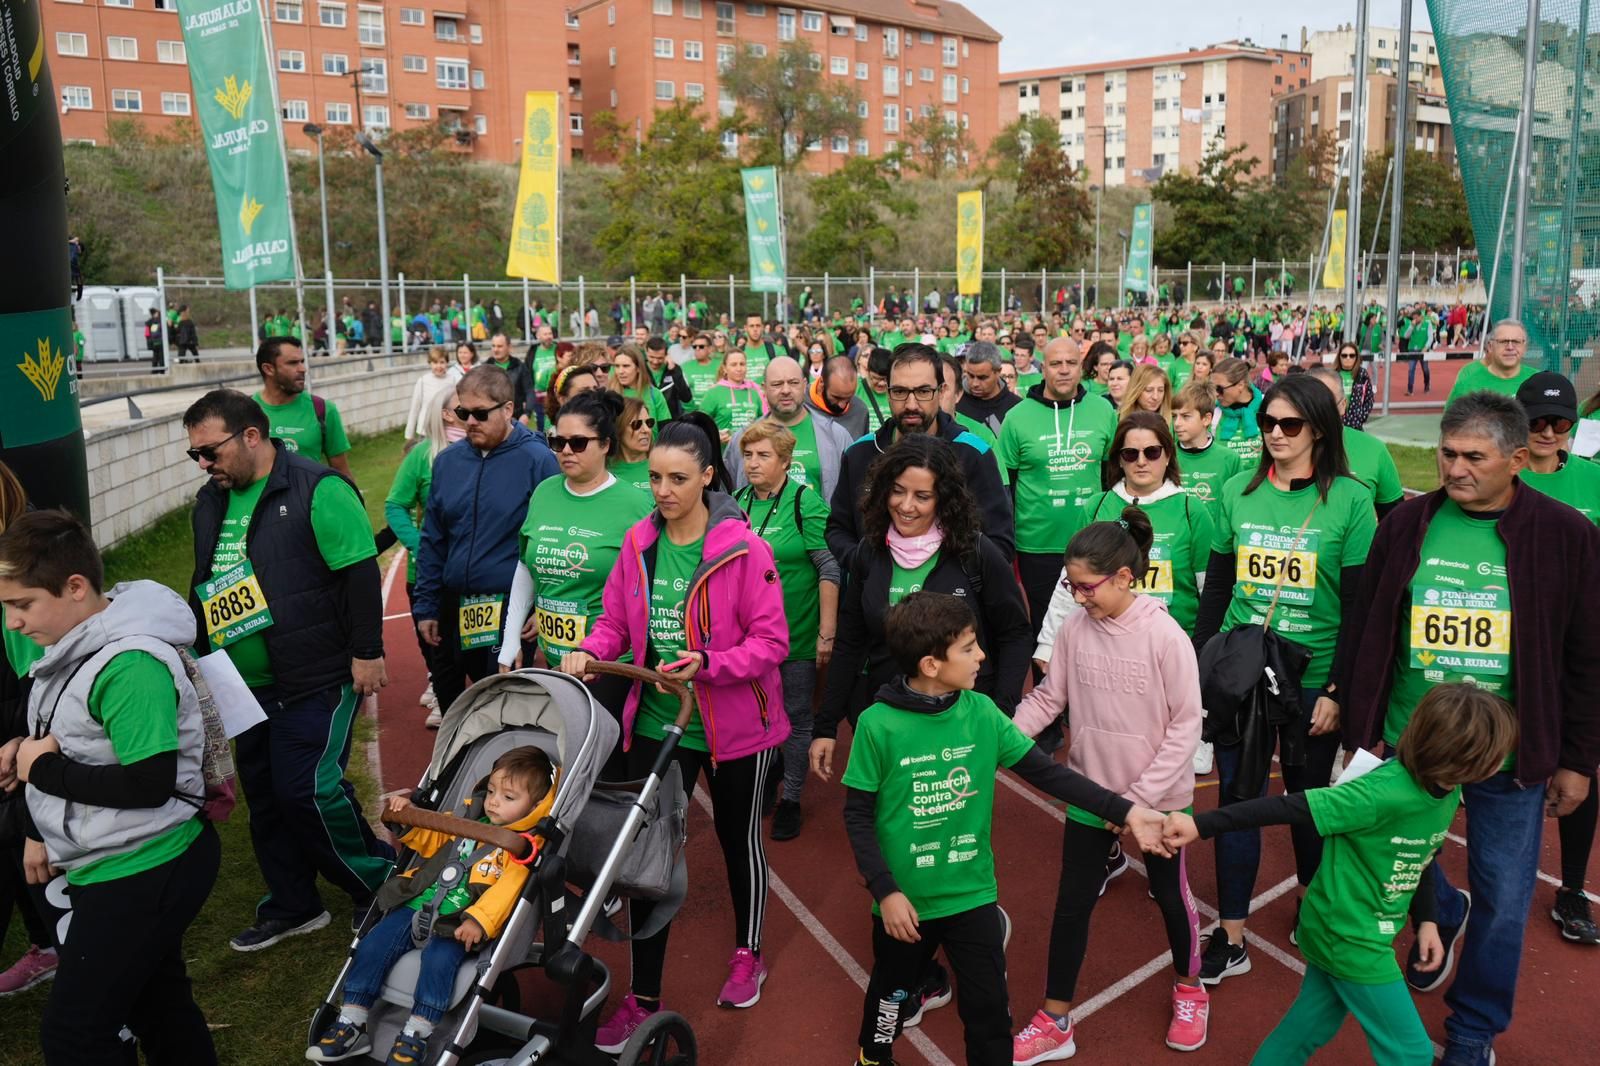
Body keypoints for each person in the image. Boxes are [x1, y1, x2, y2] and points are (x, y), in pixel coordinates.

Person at [1341, 391, 1600, 1058]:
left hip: (1507, 758)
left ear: (1517, 460)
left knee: (1506, 899)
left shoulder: (1567, 536)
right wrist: (1358, 721)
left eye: (1472, 458)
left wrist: (1577, 758)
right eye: (1446, 454)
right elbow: (1368, 624)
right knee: (1393, 865)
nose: (1454, 469)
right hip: (1410, 740)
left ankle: (1473, 1029)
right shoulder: (1405, 524)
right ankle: (1439, 911)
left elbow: (1586, 655)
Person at [843, 591, 1169, 1066]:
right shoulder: (877, 725)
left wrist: (1127, 811)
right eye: (970, 647)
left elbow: (1049, 774)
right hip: (904, 902)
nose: (982, 656)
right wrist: (885, 889)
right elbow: (856, 815)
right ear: (932, 665)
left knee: (990, 1011)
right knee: (891, 997)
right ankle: (873, 1058)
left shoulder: (981, 714)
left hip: (972, 894)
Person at [561, 420, 790, 1047]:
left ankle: (749, 951)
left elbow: (773, 643)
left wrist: (709, 666)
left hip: (739, 727)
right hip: (663, 723)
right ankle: (642, 997)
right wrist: (589, 649)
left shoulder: (745, 551)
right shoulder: (638, 543)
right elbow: (613, 623)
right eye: (656, 477)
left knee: (737, 837)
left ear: (709, 478)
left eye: (678, 479)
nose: (662, 490)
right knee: (646, 856)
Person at [1164, 684, 1521, 1066]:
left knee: (1306, 1031)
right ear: (1468, 760)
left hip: (1353, 928)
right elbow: (1288, 808)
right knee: (1410, 1051)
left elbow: (1421, 855)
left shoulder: (1447, 791)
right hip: (1348, 936)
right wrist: (1200, 826)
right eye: (1497, 755)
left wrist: (1428, 921)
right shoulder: (1383, 793)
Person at [1, 511, 220, 1065]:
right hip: (118, 859)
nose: (13, 623)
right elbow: (71, 739)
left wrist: (37, 769)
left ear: (75, 587)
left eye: (22, 604)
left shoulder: (129, 664)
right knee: (159, 1007)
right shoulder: (82, 645)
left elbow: (149, 784)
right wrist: (25, 756)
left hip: (146, 864)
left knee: (74, 1035)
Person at [182, 389, 394, 951]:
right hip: (240, 681)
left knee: (310, 790)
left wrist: (368, 652)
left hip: (316, 673)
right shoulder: (211, 499)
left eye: (210, 451)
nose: (203, 464)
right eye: (195, 456)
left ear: (251, 436)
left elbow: (357, 575)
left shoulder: (318, 487)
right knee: (268, 795)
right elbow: (206, 581)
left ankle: (377, 883)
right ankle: (293, 904)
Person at [1192, 375, 1377, 985]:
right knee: (1238, 802)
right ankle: (1233, 933)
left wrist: (1338, 692)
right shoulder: (1236, 493)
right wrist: (1204, 664)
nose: (1273, 433)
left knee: (1307, 806)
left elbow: (1358, 609)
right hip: (1247, 675)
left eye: (1289, 425)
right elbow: (1219, 585)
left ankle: (1312, 903)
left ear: (1320, 429)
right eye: (1268, 422)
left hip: (1313, 681)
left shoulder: (1350, 501)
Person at [1011, 508, 1208, 1062]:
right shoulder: (1075, 628)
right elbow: (1050, 699)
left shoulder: (1166, 637)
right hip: (1089, 791)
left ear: (1124, 577)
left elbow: (1185, 726)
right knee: (1072, 905)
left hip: (1158, 801)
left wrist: (1135, 802)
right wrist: (1000, 740)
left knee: (1171, 895)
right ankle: (1055, 1018)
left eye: (1086, 587)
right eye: (1071, 586)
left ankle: (1191, 988)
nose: (1078, 598)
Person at [309, 747, 556, 1064]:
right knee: (373, 944)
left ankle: (415, 1034)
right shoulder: (468, 821)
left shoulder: (523, 847)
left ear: (536, 806)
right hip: (417, 905)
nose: (494, 801)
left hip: (456, 922)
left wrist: (479, 921)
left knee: (440, 963)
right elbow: (432, 837)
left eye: (509, 798)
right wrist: (409, 818)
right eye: (491, 791)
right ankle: (352, 1022)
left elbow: (507, 889)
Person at [497, 390, 652, 776]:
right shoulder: (546, 492)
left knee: (601, 769)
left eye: (578, 442)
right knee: (558, 761)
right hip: (554, 659)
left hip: (609, 666)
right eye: (557, 441)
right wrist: (511, 639)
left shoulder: (635, 506)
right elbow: (526, 565)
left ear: (605, 446)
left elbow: (651, 586)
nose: (566, 450)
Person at [413, 366, 560, 719]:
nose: (470, 422)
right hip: (451, 603)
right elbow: (433, 537)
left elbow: (552, 540)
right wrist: (427, 605)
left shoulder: (538, 460)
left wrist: (542, 605)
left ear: (508, 409)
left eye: (481, 413)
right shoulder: (448, 461)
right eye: (463, 413)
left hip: (508, 606)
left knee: (503, 710)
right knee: (452, 710)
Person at [1510, 372, 1600, 945]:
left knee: (1579, 763)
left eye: (1558, 422)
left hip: (1571, 645)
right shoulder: (1502, 475)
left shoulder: (1592, 480)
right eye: (1536, 421)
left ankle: (1571, 887)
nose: (1546, 432)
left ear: (1574, 424)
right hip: (1507, 643)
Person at [733, 421, 838, 841]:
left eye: (763, 456)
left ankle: (791, 798)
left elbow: (829, 567)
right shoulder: (736, 503)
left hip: (796, 633)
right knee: (757, 716)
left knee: (795, 717)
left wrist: (826, 632)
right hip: (748, 641)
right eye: (748, 455)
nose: (753, 464)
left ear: (785, 461)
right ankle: (768, 778)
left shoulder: (804, 503)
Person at [828, 344, 1014, 567]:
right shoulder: (860, 454)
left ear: (942, 390)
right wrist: (867, 567)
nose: (911, 404)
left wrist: (954, 581)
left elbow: (999, 541)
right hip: (874, 598)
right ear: (887, 392)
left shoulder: (974, 454)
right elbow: (838, 529)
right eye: (900, 392)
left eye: (923, 392)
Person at [998, 337, 1116, 673]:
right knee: (1043, 633)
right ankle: (1047, 713)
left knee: (1094, 626)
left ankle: (1083, 704)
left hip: (1092, 543)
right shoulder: (1017, 417)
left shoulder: (1103, 410)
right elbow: (1007, 483)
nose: (1064, 370)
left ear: (1081, 366)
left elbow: (1110, 476)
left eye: (1070, 363)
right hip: (1037, 543)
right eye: (1055, 363)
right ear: (1042, 367)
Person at [387, 386, 466, 728]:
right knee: (432, 638)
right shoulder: (421, 456)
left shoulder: (485, 451)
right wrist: (422, 546)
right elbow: (395, 505)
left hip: (470, 573)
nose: (473, 414)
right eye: (464, 409)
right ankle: (439, 683)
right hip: (428, 574)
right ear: (446, 413)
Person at [725, 355, 854, 502]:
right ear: (764, 388)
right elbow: (728, 497)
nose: (786, 390)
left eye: (793, 383)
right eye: (777, 384)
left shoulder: (837, 436)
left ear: (805, 385)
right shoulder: (742, 438)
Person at [1304, 367, 1404, 520]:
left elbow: (1395, 520)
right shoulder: (1282, 448)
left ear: (1343, 405)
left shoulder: (1374, 450)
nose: (1319, 411)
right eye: (1309, 402)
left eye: (1327, 402)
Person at [252, 337, 353, 477]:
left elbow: (342, 472)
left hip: (309, 498)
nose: (303, 369)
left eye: (302, 361)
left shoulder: (323, 410)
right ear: (268, 369)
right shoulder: (245, 411)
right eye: (293, 363)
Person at [1171, 380, 1243, 527]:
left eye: (1185, 416)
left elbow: (1236, 507)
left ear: (1206, 419)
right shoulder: (1165, 455)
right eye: (1174, 416)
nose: (1177, 423)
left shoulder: (1230, 459)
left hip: (1215, 545)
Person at [1447, 320, 1535, 403]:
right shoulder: (1466, 386)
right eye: (1503, 341)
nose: (1510, 347)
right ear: (1490, 346)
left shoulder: (1539, 381)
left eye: (1516, 341)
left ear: (1525, 347)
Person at [697, 349, 767, 445]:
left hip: (749, 455)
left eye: (742, 364)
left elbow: (764, 424)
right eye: (734, 364)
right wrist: (715, 434)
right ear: (725, 368)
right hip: (723, 454)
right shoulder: (714, 393)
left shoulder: (755, 392)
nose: (739, 368)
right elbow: (699, 423)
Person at [957, 341, 1023, 437]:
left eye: (982, 377)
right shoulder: (955, 401)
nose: (975, 383)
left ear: (998, 372)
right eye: (970, 376)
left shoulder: (1015, 407)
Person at [1211, 356, 1264, 466]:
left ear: (1240, 385)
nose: (1216, 394)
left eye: (1220, 389)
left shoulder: (1268, 407)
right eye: (1213, 388)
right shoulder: (1212, 414)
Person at [404, 346, 458, 446]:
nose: (439, 366)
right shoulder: (423, 381)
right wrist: (409, 436)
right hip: (425, 431)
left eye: (442, 362)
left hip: (445, 431)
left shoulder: (453, 380)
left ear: (447, 363)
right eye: (435, 363)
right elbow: (414, 409)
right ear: (430, 363)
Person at [609, 343, 672, 427]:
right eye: (617, 366)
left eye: (626, 366)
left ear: (638, 368)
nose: (620, 371)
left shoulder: (654, 394)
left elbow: (666, 431)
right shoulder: (610, 395)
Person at [808, 354, 870, 438]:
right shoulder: (801, 403)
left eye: (849, 398)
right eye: (836, 397)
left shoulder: (860, 411)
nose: (842, 405)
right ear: (822, 382)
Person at [609, 396, 655, 494]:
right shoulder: (604, 471)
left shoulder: (662, 466)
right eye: (636, 425)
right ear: (619, 429)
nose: (646, 430)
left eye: (649, 423)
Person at [1333, 342, 1376, 429]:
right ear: (1339, 357)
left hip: (1356, 423)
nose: (1348, 358)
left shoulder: (1362, 374)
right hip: (1336, 423)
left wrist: (1362, 416)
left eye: (1352, 355)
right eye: (1344, 355)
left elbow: (1369, 398)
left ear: (1356, 358)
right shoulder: (1332, 374)